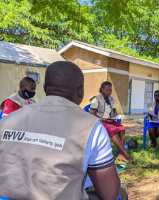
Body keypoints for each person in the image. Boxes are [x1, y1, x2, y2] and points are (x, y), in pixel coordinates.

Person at [0, 61, 124, 200]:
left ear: (46, 88)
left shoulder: (8, 120)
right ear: (81, 91)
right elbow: (110, 195)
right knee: (121, 194)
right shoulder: (90, 127)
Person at [89, 81, 134, 163]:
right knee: (114, 131)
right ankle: (125, 153)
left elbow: (114, 110)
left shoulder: (111, 99)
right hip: (100, 121)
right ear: (102, 89)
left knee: (122, 129)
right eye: (107, 90)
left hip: (110, 120)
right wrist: (104, 119)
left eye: (110, 90)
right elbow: (92, 114)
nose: (109, 92)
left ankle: (120, 154)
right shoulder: (96, 99)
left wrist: (115, 115)